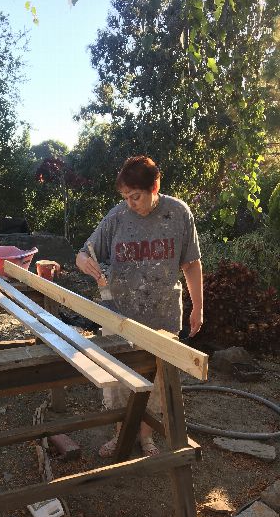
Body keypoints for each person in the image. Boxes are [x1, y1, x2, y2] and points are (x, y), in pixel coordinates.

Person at [76, 155, 203, 457]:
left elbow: (192, 263)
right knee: (118, 378)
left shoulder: (178, 214)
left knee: (156, 381)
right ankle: (121, 433)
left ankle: (146, 436)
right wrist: (85, 263)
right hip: (118, 312)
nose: (130, 203)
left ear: (154, 186)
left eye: (136, 196)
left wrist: (198, 306)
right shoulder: (117, 217)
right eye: (125, 197)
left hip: (163, 313)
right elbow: (84, 252)